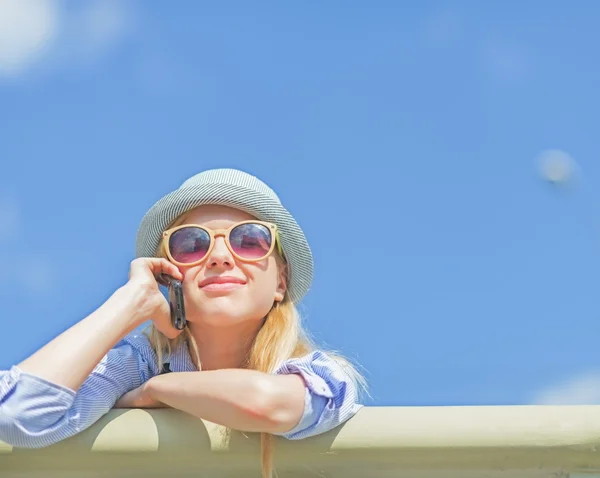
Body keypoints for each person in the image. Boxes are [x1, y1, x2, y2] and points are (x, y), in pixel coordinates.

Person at [0, 168, 366, 477]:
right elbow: (15, 414)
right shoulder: (137, 364)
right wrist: (129, 303)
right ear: (169, 277)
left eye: (250, 240)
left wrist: (160, 389)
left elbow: (266, 404)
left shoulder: (322, 374)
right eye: (191, 244)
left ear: (280, 282)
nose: (220, 256)